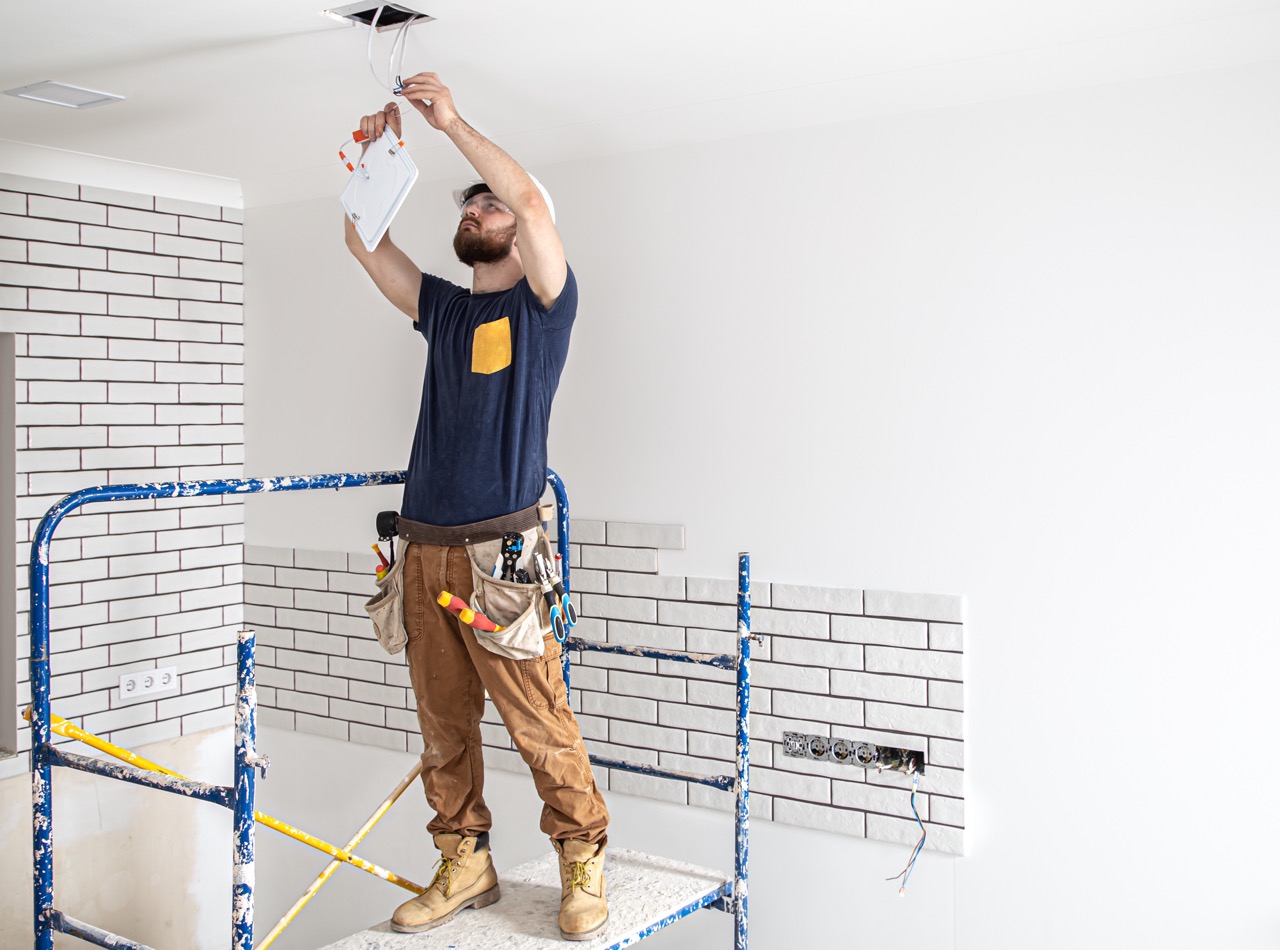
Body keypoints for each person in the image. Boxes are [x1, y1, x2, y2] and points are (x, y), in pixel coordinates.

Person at [345, 73, 610, 941]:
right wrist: (374, 161)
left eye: (488, 206)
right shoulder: (446, 310)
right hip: (422, 551)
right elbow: (364, 244)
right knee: (443, 726)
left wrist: (451, 123)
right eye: (472, 205)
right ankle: (466, 862)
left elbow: (533, 203)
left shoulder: (545, 308)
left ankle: (581, 860)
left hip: (500, 557)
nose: (480, 211)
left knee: (538, 720)